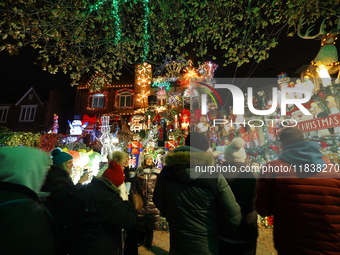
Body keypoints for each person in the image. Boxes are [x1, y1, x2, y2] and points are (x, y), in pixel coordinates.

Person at [153, 132, 242, 255]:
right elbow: (233, 215)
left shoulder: (168, 171)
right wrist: (218, 227)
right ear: (205, 150)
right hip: (206, 245)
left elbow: (158, 199)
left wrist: (173, 216)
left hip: (178, 244)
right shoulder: (213, 174)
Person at [256, 127, 340, 255]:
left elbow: (263, 209)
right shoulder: (333, 169)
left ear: (282, 144)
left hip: (293, 246)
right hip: (330, 245)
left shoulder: (272, 169)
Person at [0, 146, 56, 255]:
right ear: (30, 170)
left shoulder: (19, 200)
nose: (45, 176)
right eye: (42, 169)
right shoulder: (21, 208)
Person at [70, 165, 137, 255]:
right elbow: (130, 220)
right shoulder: (107, 198)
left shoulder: (86, 189)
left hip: (81, 245)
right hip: (100, 247)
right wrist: (127, 203)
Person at [41, 148, 90, 255]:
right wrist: (80, 183)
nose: (72, 165)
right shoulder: (56, 179)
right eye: (69, 162)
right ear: (62, 164)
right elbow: (67, 200)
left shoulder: (61, 177)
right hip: (60, 225)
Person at [219, 137, 258, 255]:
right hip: (248, 229)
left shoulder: (218, 175)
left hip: (224, 228)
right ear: (244, 158)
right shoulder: (253, 176)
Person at [137, 154, 161, 248]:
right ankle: (140, 240)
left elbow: (160, 184)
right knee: (141, 220)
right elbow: (136, 181)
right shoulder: (139, 170)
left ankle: (149, 242)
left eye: (151, 159)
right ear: (144, 160)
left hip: (152, 199)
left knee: (151, 221)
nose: (149, 160)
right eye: (147, 159)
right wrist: (141, 173)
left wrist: (158, 174)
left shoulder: (156, 172)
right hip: (142, 198)